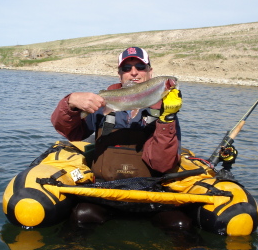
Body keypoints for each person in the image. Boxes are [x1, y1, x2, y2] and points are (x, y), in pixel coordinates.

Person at [51, 47, 183, 181]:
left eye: (140, 66)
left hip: (146, 191)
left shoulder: (164, 112)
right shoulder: (100, 103)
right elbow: (70, 132)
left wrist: (167, 120)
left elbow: (163, 165)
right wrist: (69, 103)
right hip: (101, 188)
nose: (134, 73)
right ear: (119, 74)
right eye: (126, 68)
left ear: (150, 72)